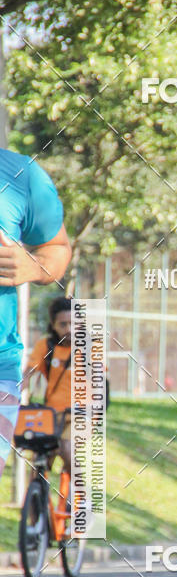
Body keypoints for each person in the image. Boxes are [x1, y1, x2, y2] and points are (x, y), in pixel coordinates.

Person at [0, 147, 71, 481]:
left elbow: (57, 248)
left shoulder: (20, 174)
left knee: (72, 455)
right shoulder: (46, 346)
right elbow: (34, 369)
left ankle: (76, 514)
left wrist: (33, 265)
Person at [23, 296, 72, 475]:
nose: (69, 329)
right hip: (51, 414)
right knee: (40, 458)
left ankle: (83, 497)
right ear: (53, 324)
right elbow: (29, 373)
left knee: (67, 447)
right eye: (63, 324)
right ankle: (36, 499)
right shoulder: (46, 345)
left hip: (80, 414)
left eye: (73, 323)